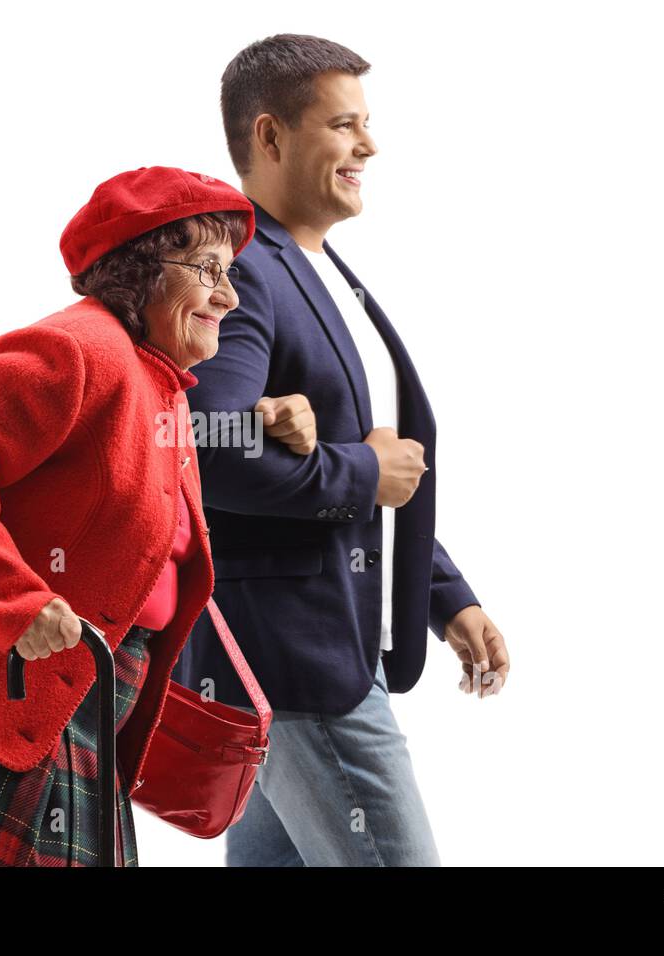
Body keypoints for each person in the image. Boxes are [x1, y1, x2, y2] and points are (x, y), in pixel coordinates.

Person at [0, 165, 320, 866]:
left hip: (77, 690)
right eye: (208, 268)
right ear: (141, 269)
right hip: (6, 681)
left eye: (230, 272)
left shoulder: (159, 378)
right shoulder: (79, 349)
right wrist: (15, 604)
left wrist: (260, 424)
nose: (229, 296)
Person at [172, 35, 513, 866]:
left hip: (312, 653)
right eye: (344, 124)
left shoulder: (321, 270)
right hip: (296, 663)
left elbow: (372, 473)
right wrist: (364, 472)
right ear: (271, 136)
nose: (369, 145)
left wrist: (443, 593)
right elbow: (206, 448)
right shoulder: (243, 268)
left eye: (367, 124)